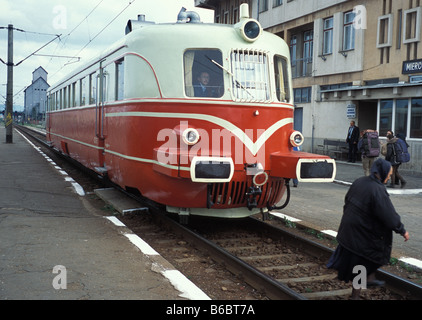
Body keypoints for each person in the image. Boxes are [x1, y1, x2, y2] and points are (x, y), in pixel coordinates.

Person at [327, 158, 409, 300]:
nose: (389, 178)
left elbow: (347, 201)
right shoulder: (377, 190)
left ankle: (357, 293)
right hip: (361, 234)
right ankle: (365, 282)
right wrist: (402, 230)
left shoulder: (360, 181)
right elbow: (389, 215)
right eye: (388, 175)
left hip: (349, 231)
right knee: (373, 257)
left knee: (361, 263)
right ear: (381, 173)